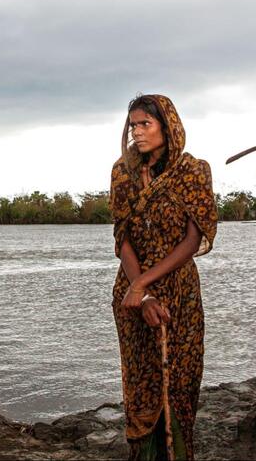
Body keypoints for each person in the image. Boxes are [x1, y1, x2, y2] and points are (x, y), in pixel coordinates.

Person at [110, 94, 218, 461]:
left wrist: (145, 286)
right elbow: (122, 238)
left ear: (166, 126)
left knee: (180, 381)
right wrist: (140, 292)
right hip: (131, 287)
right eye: (133, 126)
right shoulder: (121, 173)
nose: (137, 133)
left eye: (145, 124)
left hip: (178, 288)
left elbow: (192, 240)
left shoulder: (193, 171)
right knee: (141, 380)